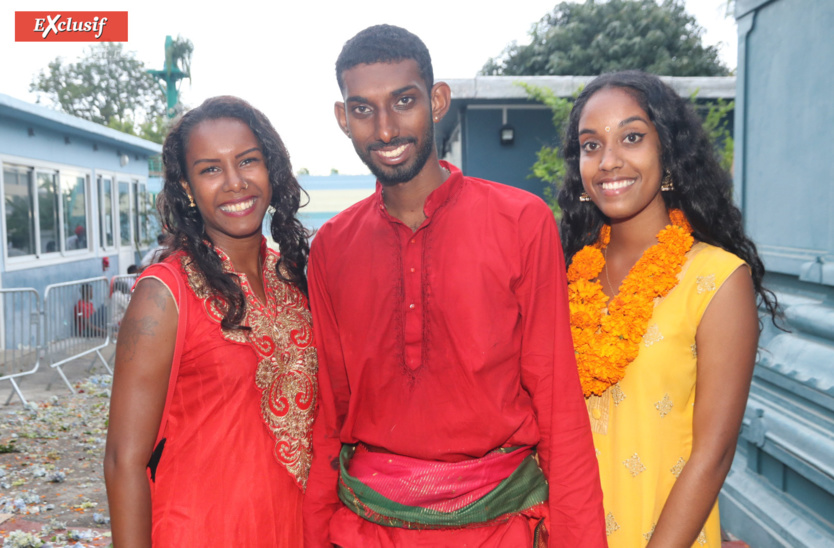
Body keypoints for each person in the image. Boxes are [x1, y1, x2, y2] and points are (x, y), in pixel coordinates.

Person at [303, 25, 605, 548]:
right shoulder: (332, 246)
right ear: (342, 118)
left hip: (500, 527)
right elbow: (329, 414)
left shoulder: (520, 222)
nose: (386, 128)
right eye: (363, 109)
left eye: (404, 101)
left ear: (437, 101)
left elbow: (558, 403)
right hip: (369, 529)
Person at [557, 71, 779, 547]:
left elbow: (713, 454)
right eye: (591, 145)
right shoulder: (561, 275)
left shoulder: (716, 281)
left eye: (632, 138)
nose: (609, 161)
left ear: (669, 153)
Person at [104, 96, 317, 547]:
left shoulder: (296, 278)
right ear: (186, 186)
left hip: (298, 528)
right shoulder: (163, 294)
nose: (235, 183)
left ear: (271, 169)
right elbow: (124, 460)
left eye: (247, 161)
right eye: (210, 169)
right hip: (202, 530)